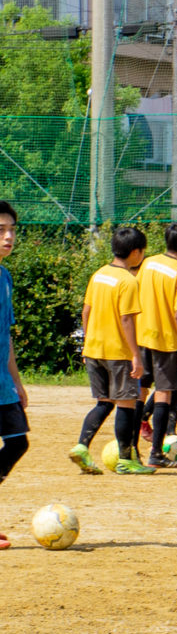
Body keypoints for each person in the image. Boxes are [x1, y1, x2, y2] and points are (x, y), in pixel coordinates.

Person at [72, 226, 148, 476]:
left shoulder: (99, 274)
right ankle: (126, 459)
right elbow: (127, 320)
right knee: (126, 404)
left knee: (104, 402)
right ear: (135, 252)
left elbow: (86, 311)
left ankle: (82, 446)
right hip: (118, 353)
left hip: (94, 349)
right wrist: (136, 355)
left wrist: (88, 342)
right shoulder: (128, 281)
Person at [133, 220, 177, 465]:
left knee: (140, 393)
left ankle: (131, 449)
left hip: (142, 336)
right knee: (163, 395)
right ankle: (156, 454)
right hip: (166, 342)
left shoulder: (148, 262)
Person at [0, 201, 23, 546]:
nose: (8, 237)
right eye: (0, 231)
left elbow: (5, 336)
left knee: (18, 442)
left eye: (12, 230)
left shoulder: (5, 277)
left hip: (2, 384)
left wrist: (17, 382)